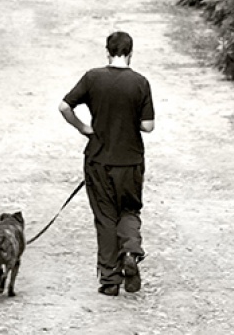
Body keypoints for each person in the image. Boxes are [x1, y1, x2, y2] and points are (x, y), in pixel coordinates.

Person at [59, 31, 155, 296]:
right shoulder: (140, 82)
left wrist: (83, 128)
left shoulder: (93, 77)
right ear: (131, 53)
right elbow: (148, 125)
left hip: (99, 159)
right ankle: (131, 252)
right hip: (130, 161)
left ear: (107, 52)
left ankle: (110, 281)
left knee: (105, 217)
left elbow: (64, 106)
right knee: (129, 210)